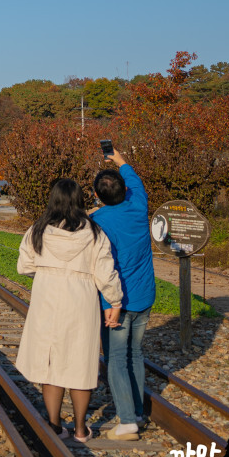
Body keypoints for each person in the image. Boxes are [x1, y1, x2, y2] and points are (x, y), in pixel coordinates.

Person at [16, 178, 122, 442]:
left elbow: (24, 266)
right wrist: (115, 302)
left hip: (47, 298)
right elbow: (106, 273)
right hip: (81, 299)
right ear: (79, 200)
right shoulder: (95, 233)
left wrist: (46, 272)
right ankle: (80, 428)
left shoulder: (38, 230)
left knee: (50, 361)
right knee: (80, 361)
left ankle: (53, 424)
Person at [93, 147, 156, 441]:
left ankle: (128, 421)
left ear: (98, 196)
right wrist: (118, 160)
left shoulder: (99, 222)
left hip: (117, 301)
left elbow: (106, 268)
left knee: (116, 358)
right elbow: (134, 180)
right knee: (135, 353)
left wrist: (108, 303)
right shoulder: (139, 203)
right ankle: (139, 413)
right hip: (144, 295)